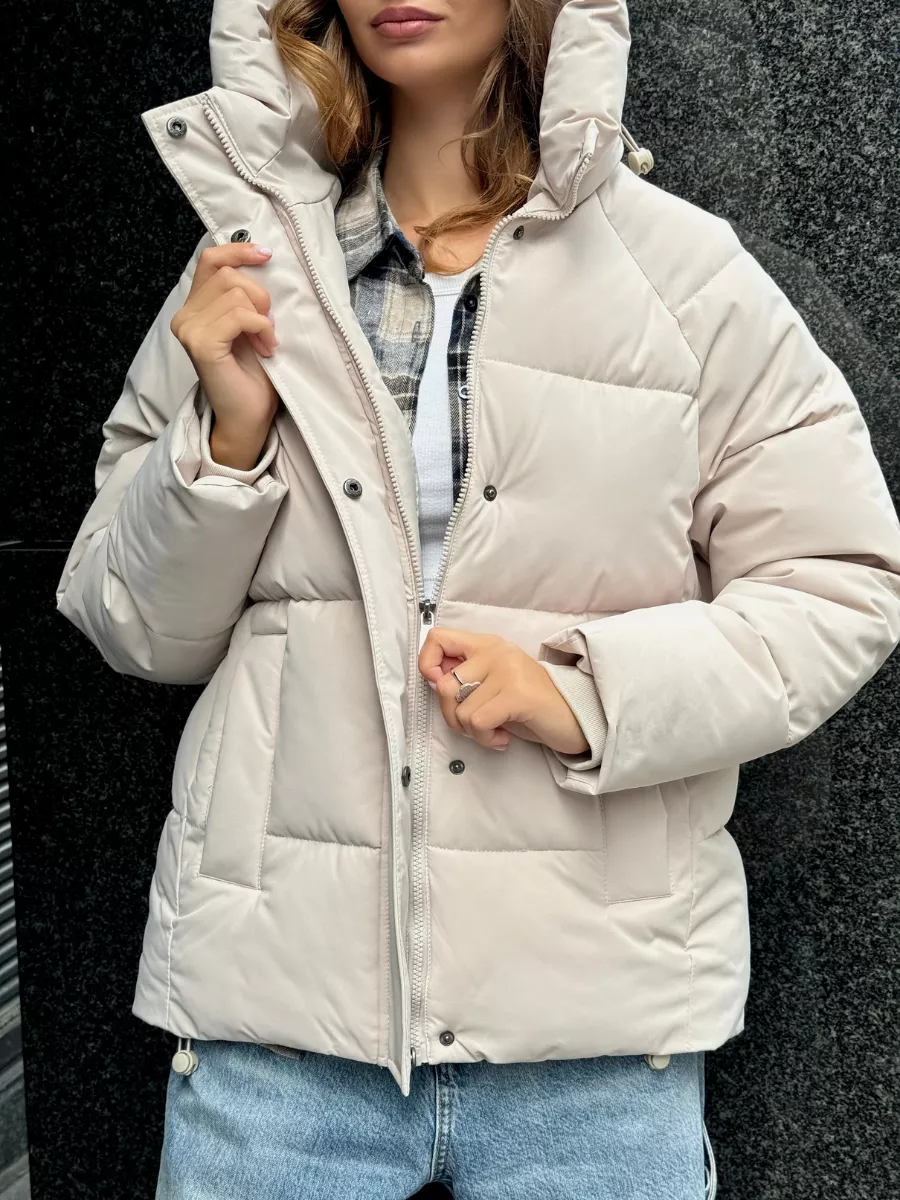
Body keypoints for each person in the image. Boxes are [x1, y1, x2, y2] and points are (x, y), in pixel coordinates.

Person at [56, 1, 900, 1197]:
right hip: (278, 1029)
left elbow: (840, 581)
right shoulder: (248, 271)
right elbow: (132, 620)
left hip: (594, 1038)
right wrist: (223, 444)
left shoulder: (685, 276)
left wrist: (587, 694)